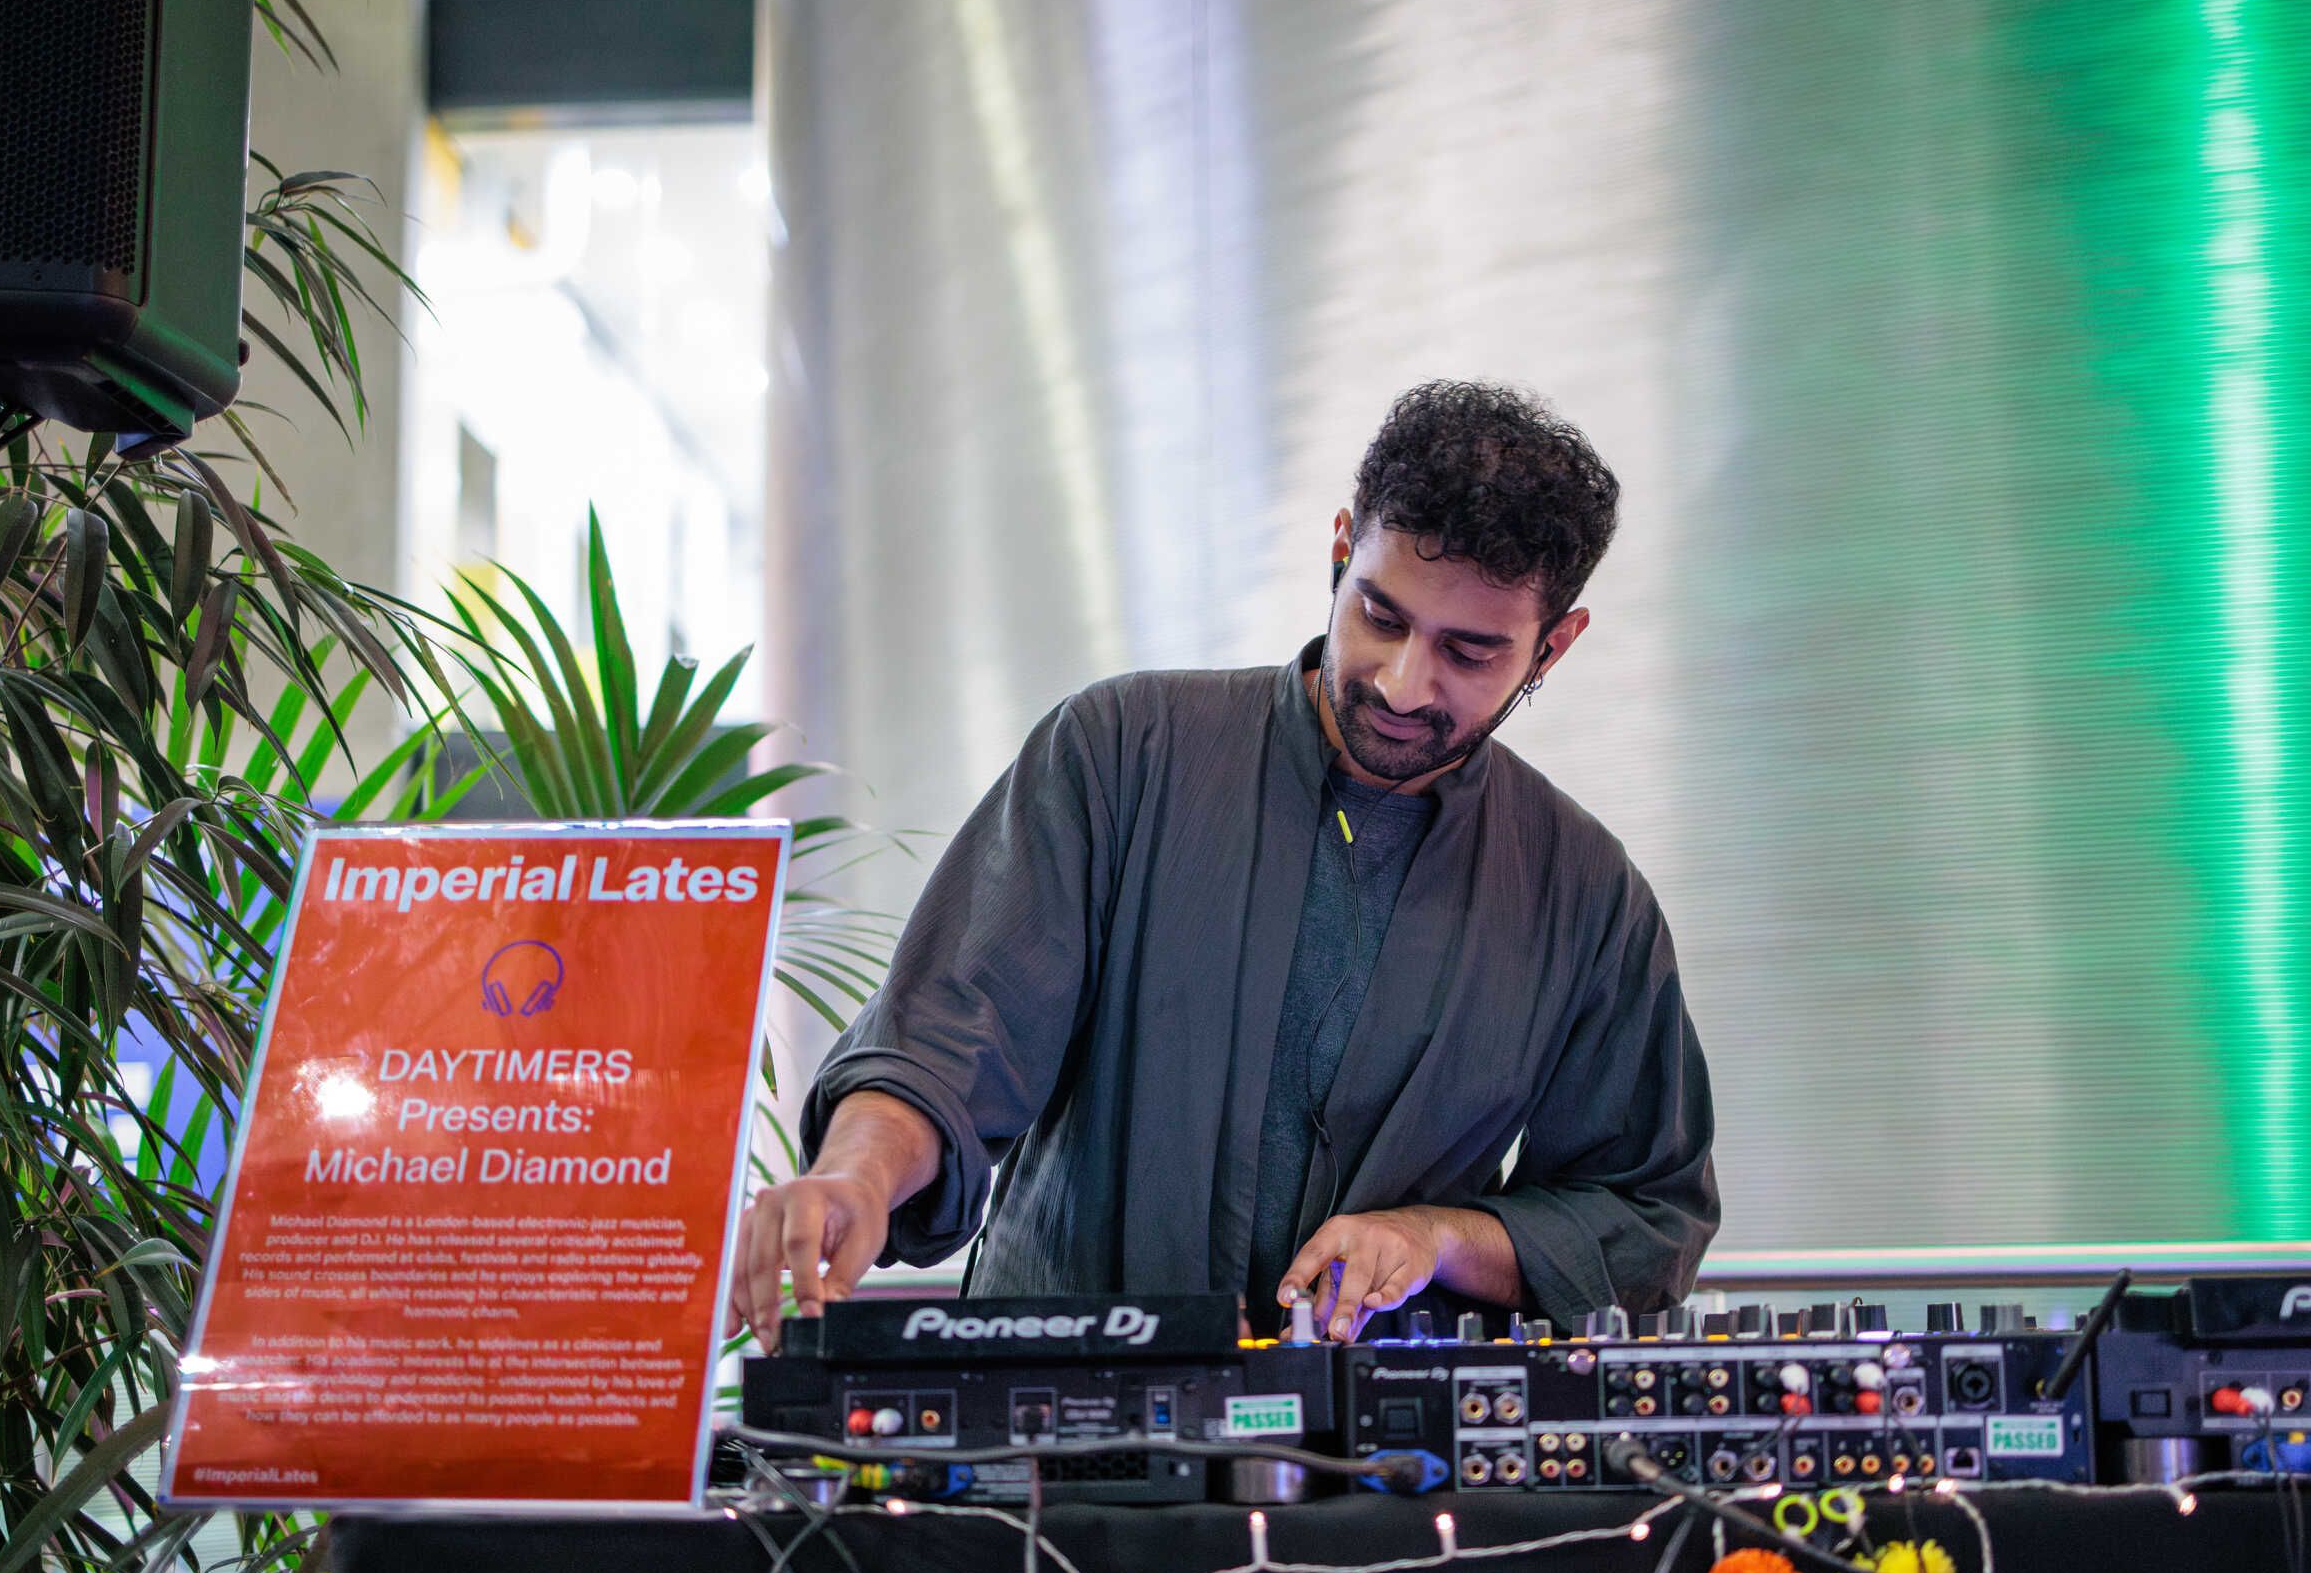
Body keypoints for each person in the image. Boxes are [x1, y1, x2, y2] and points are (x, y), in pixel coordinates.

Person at [731, 380, 1716, 1344]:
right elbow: (949, 1032)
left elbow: (1644, 1212)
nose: (1406, 683)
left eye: (1470, 652)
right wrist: (855, 1173)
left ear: (1554, 645)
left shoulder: (1585, 897)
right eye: (1381, 614)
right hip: (1059, 1445)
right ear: (1341, 550)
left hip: (1375, 1473)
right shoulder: (1123, 751)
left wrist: (1441, 1238)